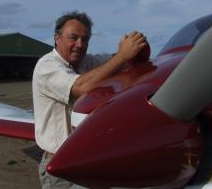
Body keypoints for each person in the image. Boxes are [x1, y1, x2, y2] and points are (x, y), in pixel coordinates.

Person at [32, 11, 147, 189]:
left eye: (85, 39)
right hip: (61, 166)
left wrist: (136, 48)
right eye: (73, 38)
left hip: (87, 159)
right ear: (57, 38)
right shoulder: (47, 66)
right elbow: (80, 87)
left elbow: (120, 63)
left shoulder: (86, 62)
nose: (80, 45)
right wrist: (122, 56)